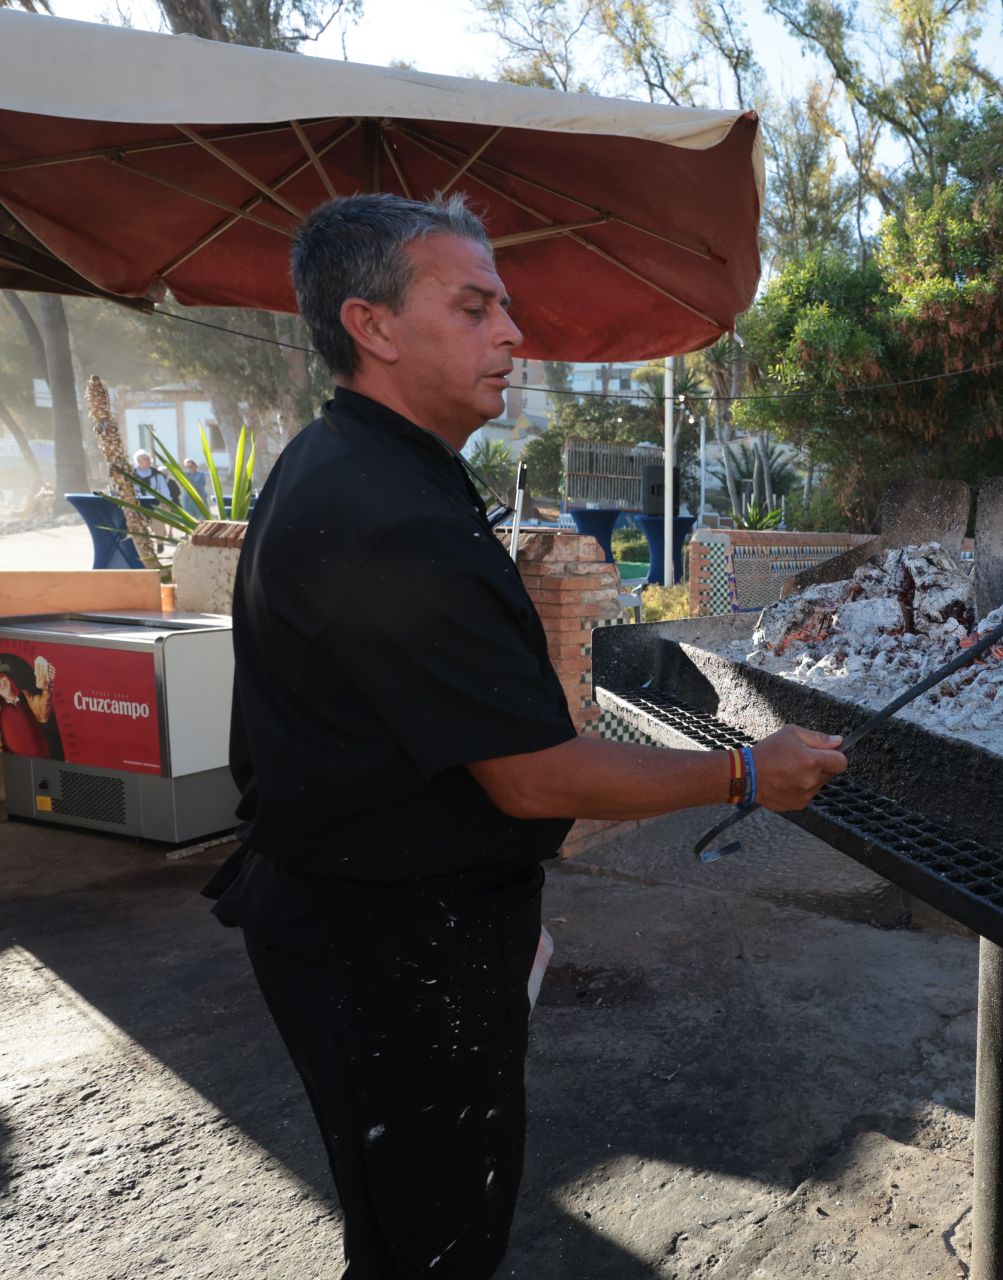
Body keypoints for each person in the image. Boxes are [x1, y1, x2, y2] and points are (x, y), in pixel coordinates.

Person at [201, 192, 847, 1280]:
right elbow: (532, 775)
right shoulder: (384, 515)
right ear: (372, 325)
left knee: (413, 1222)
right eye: (473, 307)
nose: (512, 333)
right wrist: (745, 769)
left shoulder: (362, 465)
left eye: (504, 305)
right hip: (391, 947)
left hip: (381, 914)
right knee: (433, 1244)